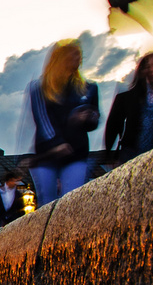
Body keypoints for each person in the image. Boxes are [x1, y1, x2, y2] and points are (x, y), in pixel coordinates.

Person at [25, 38, 98, 204]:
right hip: (47, 154)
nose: (76, 60)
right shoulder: (39, 88)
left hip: (76, 152)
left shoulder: (89, 88)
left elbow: (93, 123)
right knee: (47, 202)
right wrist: (56, 143)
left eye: (78, 56)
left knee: (72, 200)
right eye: (71, 56)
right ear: (59, 58)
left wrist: (89, 118)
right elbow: (42, 120)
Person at [107, 47, 153, 162]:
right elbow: (113, 125)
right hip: (134, 156)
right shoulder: (128, 97)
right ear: (145, 70)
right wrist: (109, 155)